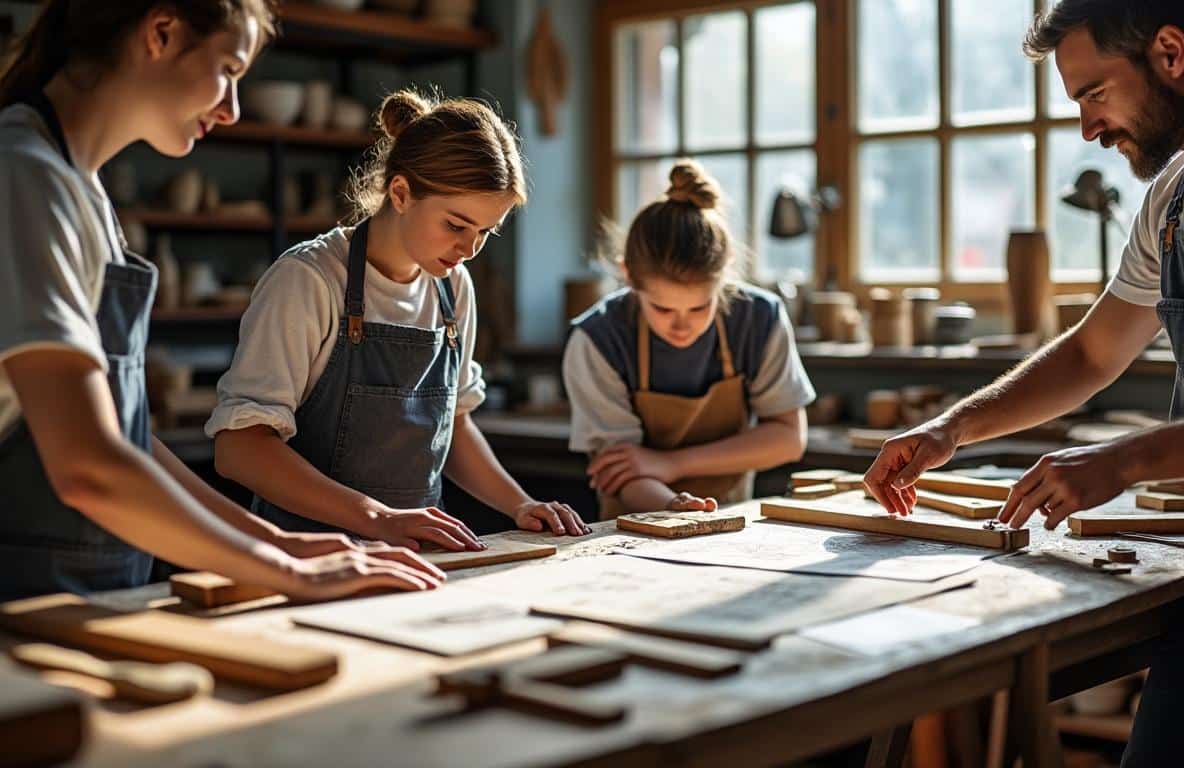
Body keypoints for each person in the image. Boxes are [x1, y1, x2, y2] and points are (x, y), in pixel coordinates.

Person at [863, 2, 1184, 765]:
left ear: (1170, 52)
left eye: (1094, 94)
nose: (1088, 128)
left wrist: (1125, 459)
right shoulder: (1175, 194)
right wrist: (951, 427)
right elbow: (1092, 353)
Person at [0, 0, 446, 602]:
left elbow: (127, 443)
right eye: (229, 70)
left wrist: (282, 544)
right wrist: (289, 574)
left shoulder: (80, 190)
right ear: (160, 33)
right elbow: (89, 467)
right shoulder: (24, 176)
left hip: (81, 594)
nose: (232, 109)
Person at [209, 89, 590, 549]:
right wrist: (378, 517)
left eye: (485, 232)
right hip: (310, 557)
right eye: (456, 225)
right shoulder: (309, 279)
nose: (469, 249)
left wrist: (520, 504)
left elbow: (454, 426)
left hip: (418, 556)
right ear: (401, 193)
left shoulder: (453, 287)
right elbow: (240, 449)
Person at [564, 160, 815, 518]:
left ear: (725, 275)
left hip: (731, 516)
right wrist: (675, 509)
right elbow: (621, 470)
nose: (681, 326)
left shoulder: (759, 318)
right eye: (662, 309)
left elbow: (788, 439)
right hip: (638, 520)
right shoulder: (598, 340)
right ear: (628, 276)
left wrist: (671, 464)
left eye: (699, 308)